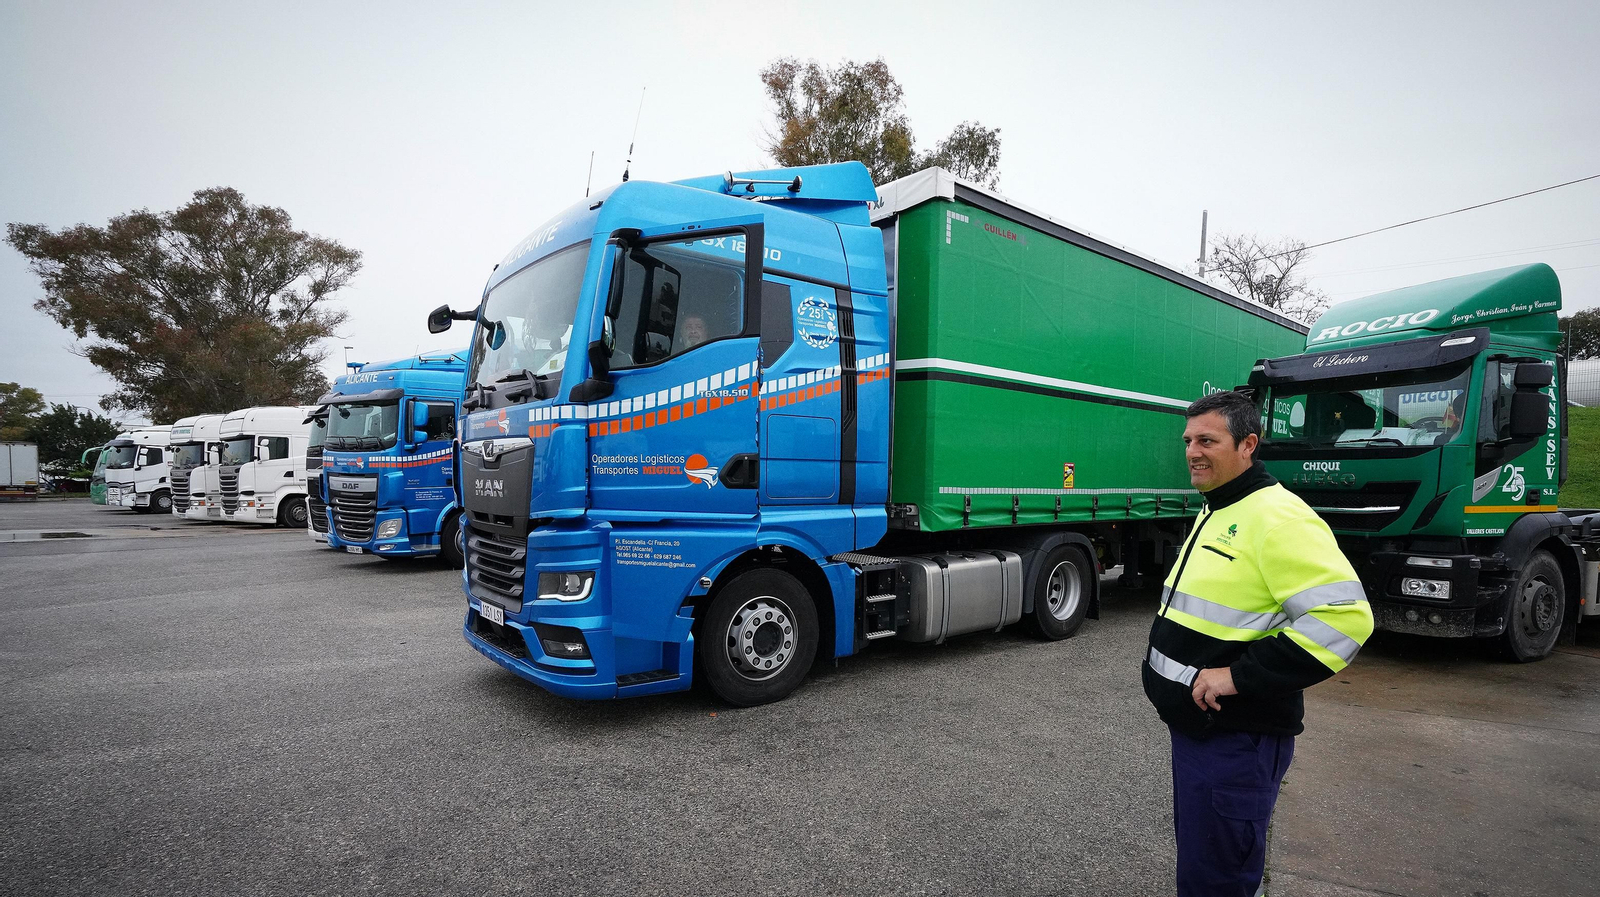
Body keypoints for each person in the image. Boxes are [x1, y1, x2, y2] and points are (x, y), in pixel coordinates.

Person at [1143, 390, 1373, 897]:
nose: (1192, 451)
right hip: (1200, 731)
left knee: (1218, 878)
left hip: (1236, 739)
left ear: (1248, 444)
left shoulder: (1278, 517)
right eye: (1187, 440)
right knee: (1203, 866)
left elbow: (1345, 620)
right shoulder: (1221, 506)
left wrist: (1236, 676)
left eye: (1208, 440)